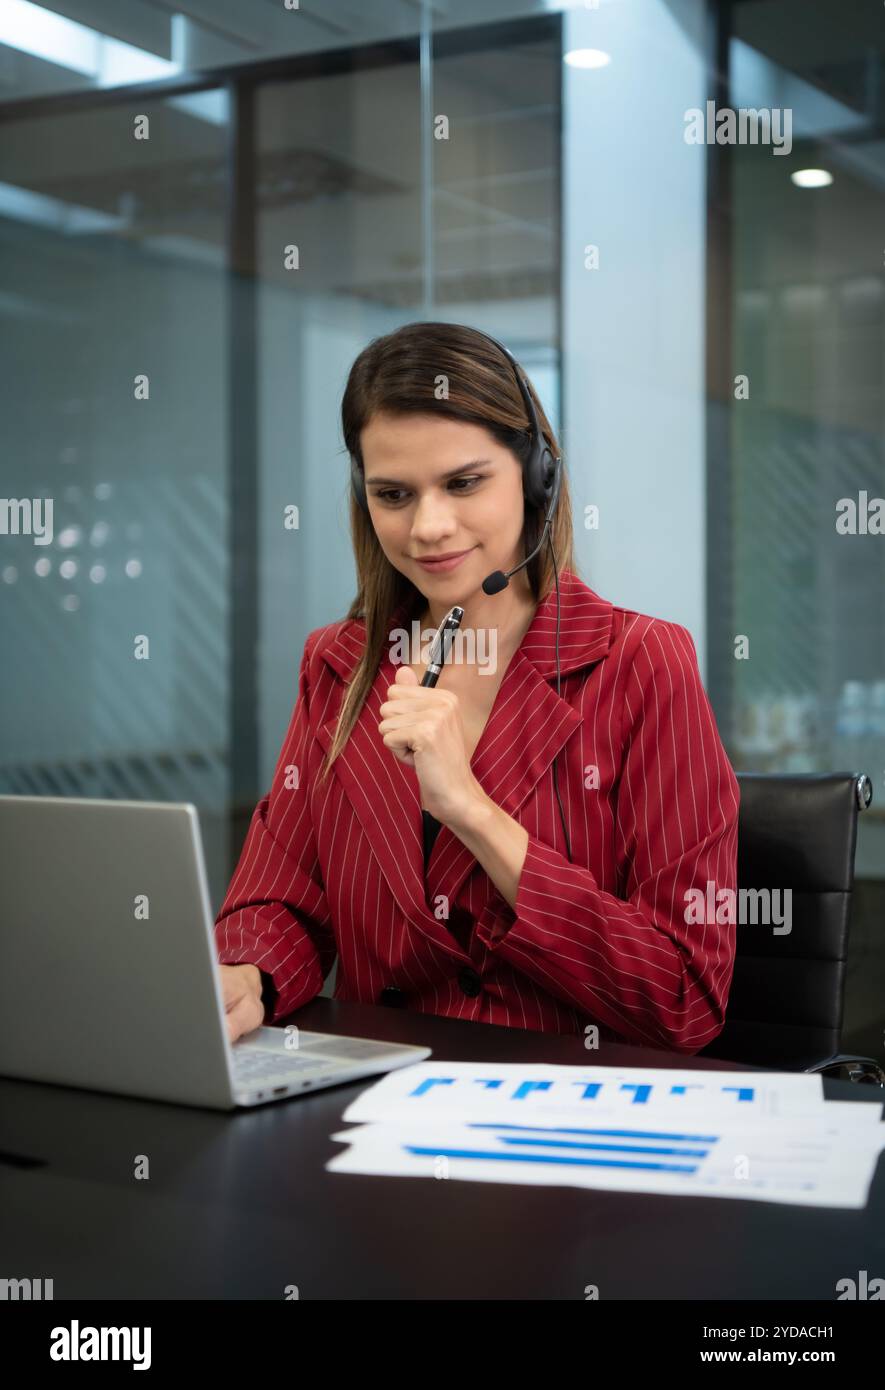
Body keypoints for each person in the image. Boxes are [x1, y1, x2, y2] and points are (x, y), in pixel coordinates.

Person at [215, 321, 739, 1053]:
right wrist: (249, 974)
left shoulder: (640, 662)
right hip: (379, 1103)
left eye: (463, 483)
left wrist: (472, 811)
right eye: (393, 494)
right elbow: (285, 903)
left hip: (565, 1109)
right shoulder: (339, 664)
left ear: (535, 478)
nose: (428, 526)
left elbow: (681, 999)